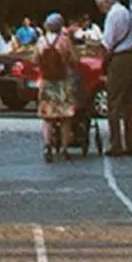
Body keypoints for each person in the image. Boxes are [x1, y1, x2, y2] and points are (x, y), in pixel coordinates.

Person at [97, 0, 132, 157]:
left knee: (114, 102)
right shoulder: (128, 13)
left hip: (120, 60)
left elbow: (107, 42)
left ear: (107, 2)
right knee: (129, 103)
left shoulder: (113, 15)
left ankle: (116, 144)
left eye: (100, 5)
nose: (100, 9)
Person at [36, 12, 78, 162]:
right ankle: (65, 148)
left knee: (47, 117)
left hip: (46, 82)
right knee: (65, 116)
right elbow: (73, 59)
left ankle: (47, 145)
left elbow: (36, 60)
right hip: (63, 82)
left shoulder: (41, 41)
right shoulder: (64, 41)